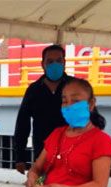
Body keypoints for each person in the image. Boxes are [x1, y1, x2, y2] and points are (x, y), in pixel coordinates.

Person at [13, 44, 75, 175]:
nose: (55, 65)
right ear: (43, 64)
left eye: (59, 61)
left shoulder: (75, 87)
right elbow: (22, 124)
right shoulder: (34, 90)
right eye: (50, 61)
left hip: (74, 151)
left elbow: (92, 118)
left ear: (64, 62)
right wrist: (20, 157)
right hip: (43, 154)